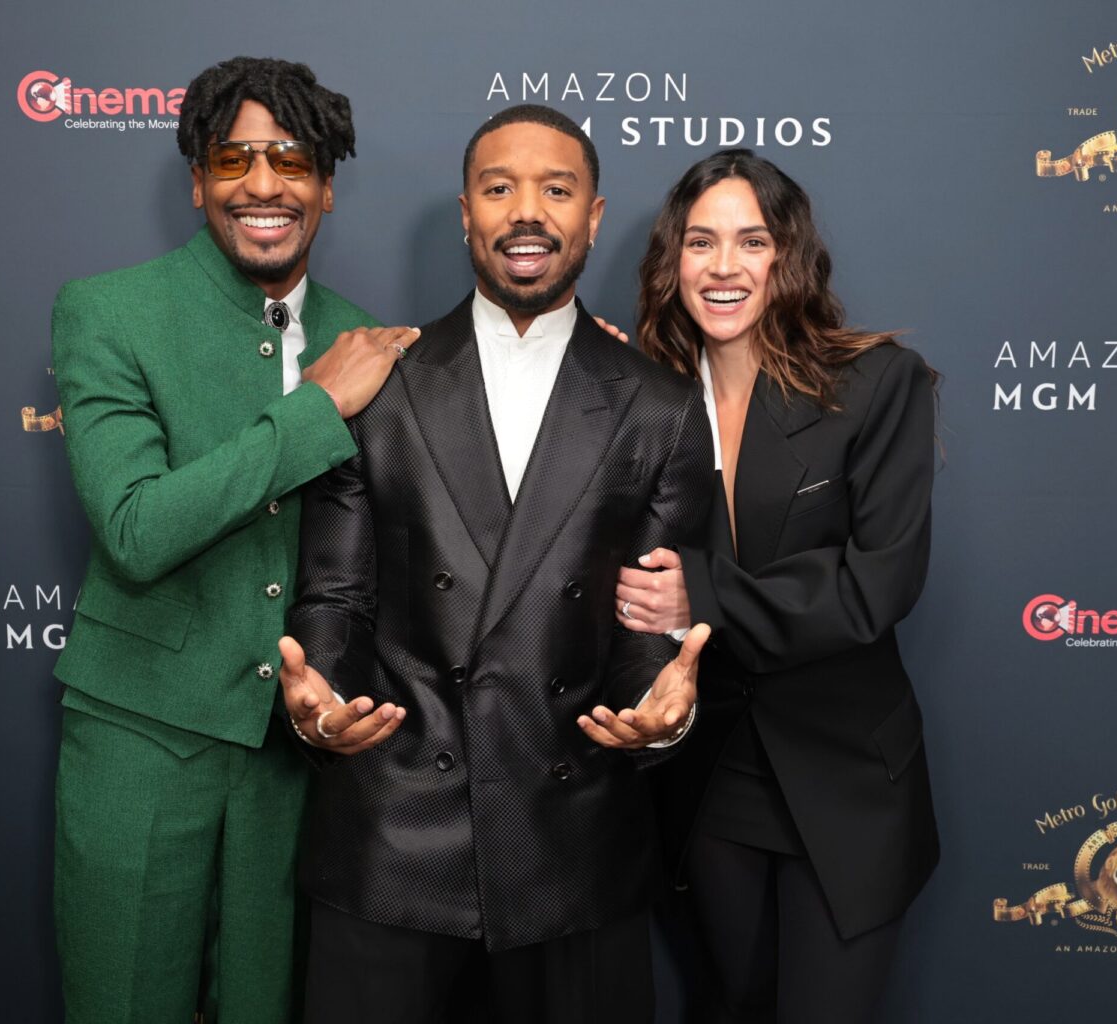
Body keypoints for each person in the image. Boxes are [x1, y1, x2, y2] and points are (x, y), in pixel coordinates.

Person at [277, 104, 715, 1024]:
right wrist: (321, 697)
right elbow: (337, 591)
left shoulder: (660, 403)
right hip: (393, 831)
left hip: (574, 843)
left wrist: (658, 716)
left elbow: (651, 621)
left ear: (593, 217)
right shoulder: (377, 381)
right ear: (465, 214)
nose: (528, 211)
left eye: (557, 190)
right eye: (499, 187)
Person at [50, 56, 418, 1023]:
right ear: (199, 183)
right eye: (234, 158)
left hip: (293, 759)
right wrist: (316, 408)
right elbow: (134, 528)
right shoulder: (109, 311)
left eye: (291, 159)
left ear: (326, 189)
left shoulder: (364, 339)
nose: (263, 184)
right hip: (141, 737)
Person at [618, 149, 939, 1024]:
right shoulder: (644, 402)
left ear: (787, 257)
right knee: (732, 1006)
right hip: (710, 779)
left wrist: (704, 599)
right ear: (670, 263)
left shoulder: (876, 386)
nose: (724, 267)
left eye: (751, 242)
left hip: (844, 782)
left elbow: (876, 585)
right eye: (700, 243)